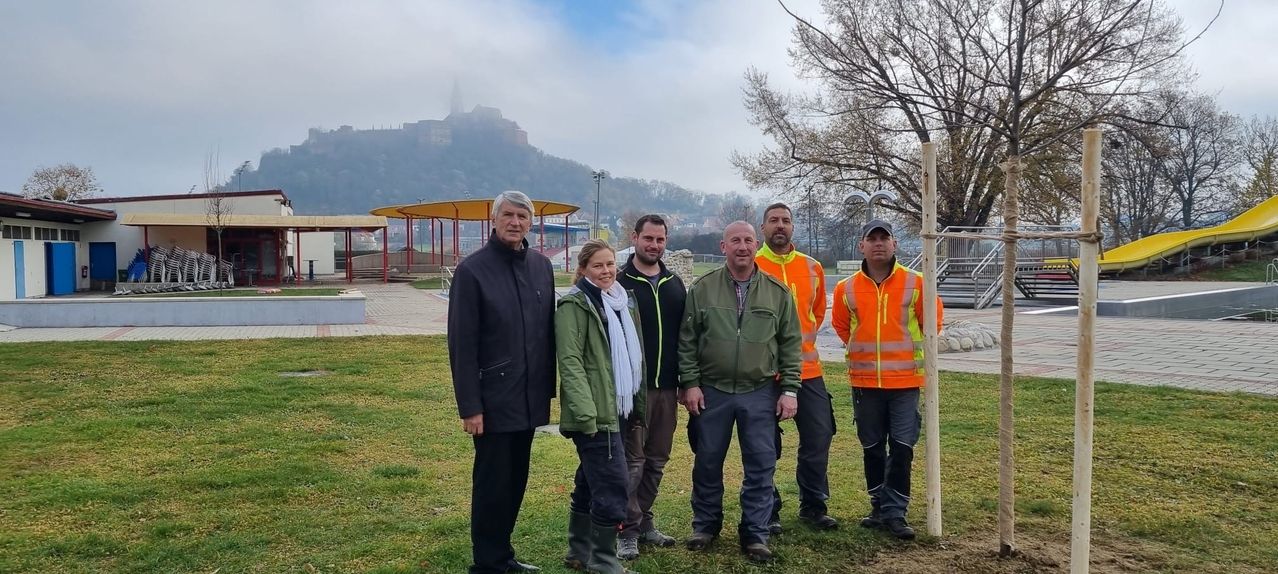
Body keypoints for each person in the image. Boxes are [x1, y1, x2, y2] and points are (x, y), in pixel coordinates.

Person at [678, 220, 802, 563]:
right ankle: (705, 525)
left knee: (761, 465)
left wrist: (789, 389)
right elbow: (687, 342)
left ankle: (755, 534)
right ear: (724, 247)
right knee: (707, 462)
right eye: (736, 240)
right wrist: (690, 383)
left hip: (759, 391)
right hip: (712, 392)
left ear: (755, 243)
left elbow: (791, 345)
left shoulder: (777, 293)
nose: (743, 246)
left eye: (748, 240)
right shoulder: (702, 289)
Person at [447, 190, 556, 574]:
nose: (515, 222)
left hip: (529, 398)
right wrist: (470, 406)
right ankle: (487, 562)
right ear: (493, 220)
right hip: (493, 401)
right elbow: (462, 344)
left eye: (522, 217)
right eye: (508, 215)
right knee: (492, 484)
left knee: (515, 482)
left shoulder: (541, 267)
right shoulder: (473, 271)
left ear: (531, 223)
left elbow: (547, 334)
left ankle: (503, 555)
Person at [830, 219, 943, 541]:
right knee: (872, 446)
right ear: (861, 246)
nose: (878, 243)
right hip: (865, 383)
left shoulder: (919, 284)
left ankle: (896, 512)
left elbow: (933, 323)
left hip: (905, 382)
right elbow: (841, 326)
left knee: (903, 447)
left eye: (884, 238)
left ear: (895, 244)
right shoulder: (846, 288)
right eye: (872, 238)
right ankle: (878, 506)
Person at [556, 239, 645, 574]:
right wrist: (586, 415)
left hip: (617, 408)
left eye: (610, 264)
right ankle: (604, 561)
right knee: (612, 484)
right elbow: (571, 362)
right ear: (583, 269)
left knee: (590, 481)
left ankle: (579, 552)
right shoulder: (575, 306)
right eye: (598, 265)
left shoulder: (620, 301)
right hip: (595, 414)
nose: (607, 271)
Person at [754, 203, 838, 533]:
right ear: (762, 228)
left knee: (819, 436)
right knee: (763, 443)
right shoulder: (754, 264)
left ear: (793, 227)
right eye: (773, 220)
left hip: (808, 371)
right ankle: (768, 508)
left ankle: (813, 505)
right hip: (763, 373)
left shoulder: (812, 267)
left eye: (786, 221)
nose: (780, 226)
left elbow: (815, 315)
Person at [616, 215, 687, 560]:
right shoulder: (619, 284)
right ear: (635, 238)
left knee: (657, 460)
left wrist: (687, 383)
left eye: (660, 240)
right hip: (633, 392)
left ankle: (644, 522)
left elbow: (685, 340)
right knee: (634, 462)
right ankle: (626, 530)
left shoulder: (674, 284)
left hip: (667, 390)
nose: (654, 245)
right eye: (648, 238)